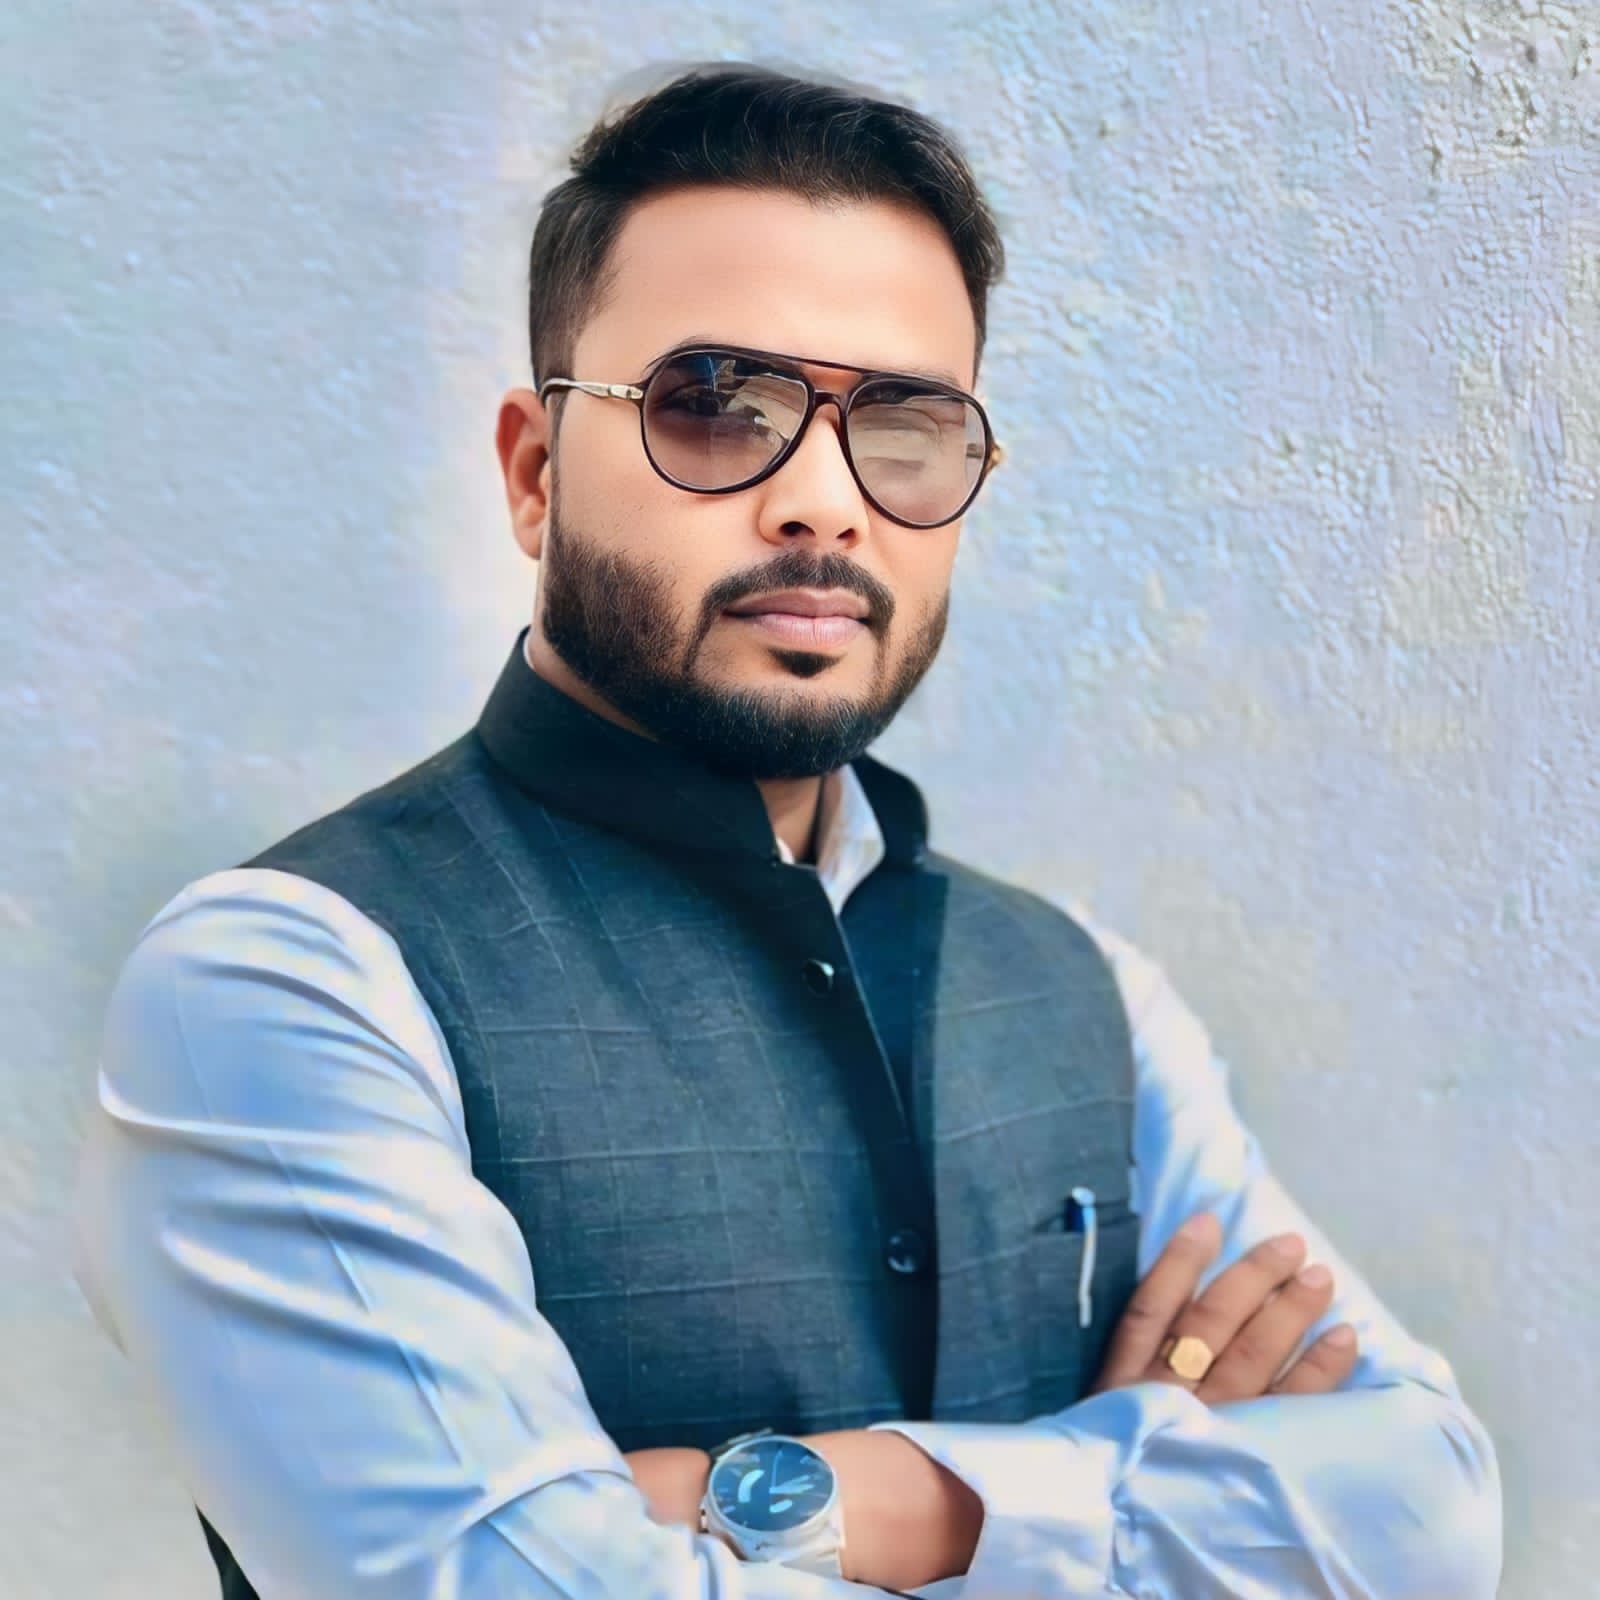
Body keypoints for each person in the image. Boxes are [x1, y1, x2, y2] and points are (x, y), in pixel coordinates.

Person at [70, 61, 1501, 1600]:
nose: (823, 502)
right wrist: (1142, 1490)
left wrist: (832, 1506)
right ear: (537, 476)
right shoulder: (286, 984)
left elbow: (1426, 1517)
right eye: (714, 406)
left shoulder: (1089, 993)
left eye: (905, 424)